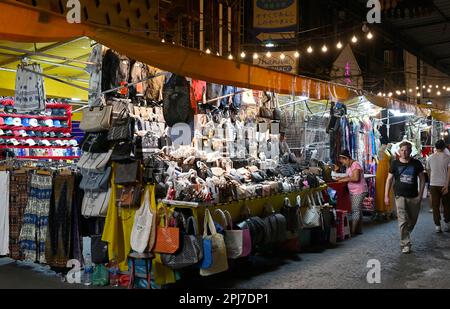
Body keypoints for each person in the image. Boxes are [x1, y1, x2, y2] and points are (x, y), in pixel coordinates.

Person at [385, 141, 425, 254]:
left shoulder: (416, 164)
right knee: (402, 221)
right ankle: (405, 243)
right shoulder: (394, 164)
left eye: (406, 150)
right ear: (399, 151)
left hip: (413, 196)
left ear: (410, 151)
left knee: (412, 221)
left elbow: (422, 179)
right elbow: (389, 180)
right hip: (399, 195)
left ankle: (405, 233)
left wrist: (420, 195)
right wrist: (386, 195)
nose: (404, 152)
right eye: (402, 150)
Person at [337, 149, 368, 235]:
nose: (343, 164)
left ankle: (353, 231)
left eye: (343, 161)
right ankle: (359, 230)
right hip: (354, 191)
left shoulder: (355, 164)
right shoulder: (349, 166)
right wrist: (340, 179)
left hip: (359, 190)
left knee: (355, 210)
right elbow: (348, 176)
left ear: (346, 158)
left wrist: (344, 179)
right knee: (358, 210)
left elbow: (356, 178)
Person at [426, 140, 450, 233]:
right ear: (444, 147)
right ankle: (447, 223)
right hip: (445, 184)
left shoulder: (430, 158)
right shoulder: (448, 158)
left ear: (435, 147)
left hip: (433, 184)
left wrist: (431, 179)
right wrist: (447, 184)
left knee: (435, 206)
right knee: (447, 205)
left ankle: (437, 226)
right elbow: (449, 172)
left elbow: (428, 170)